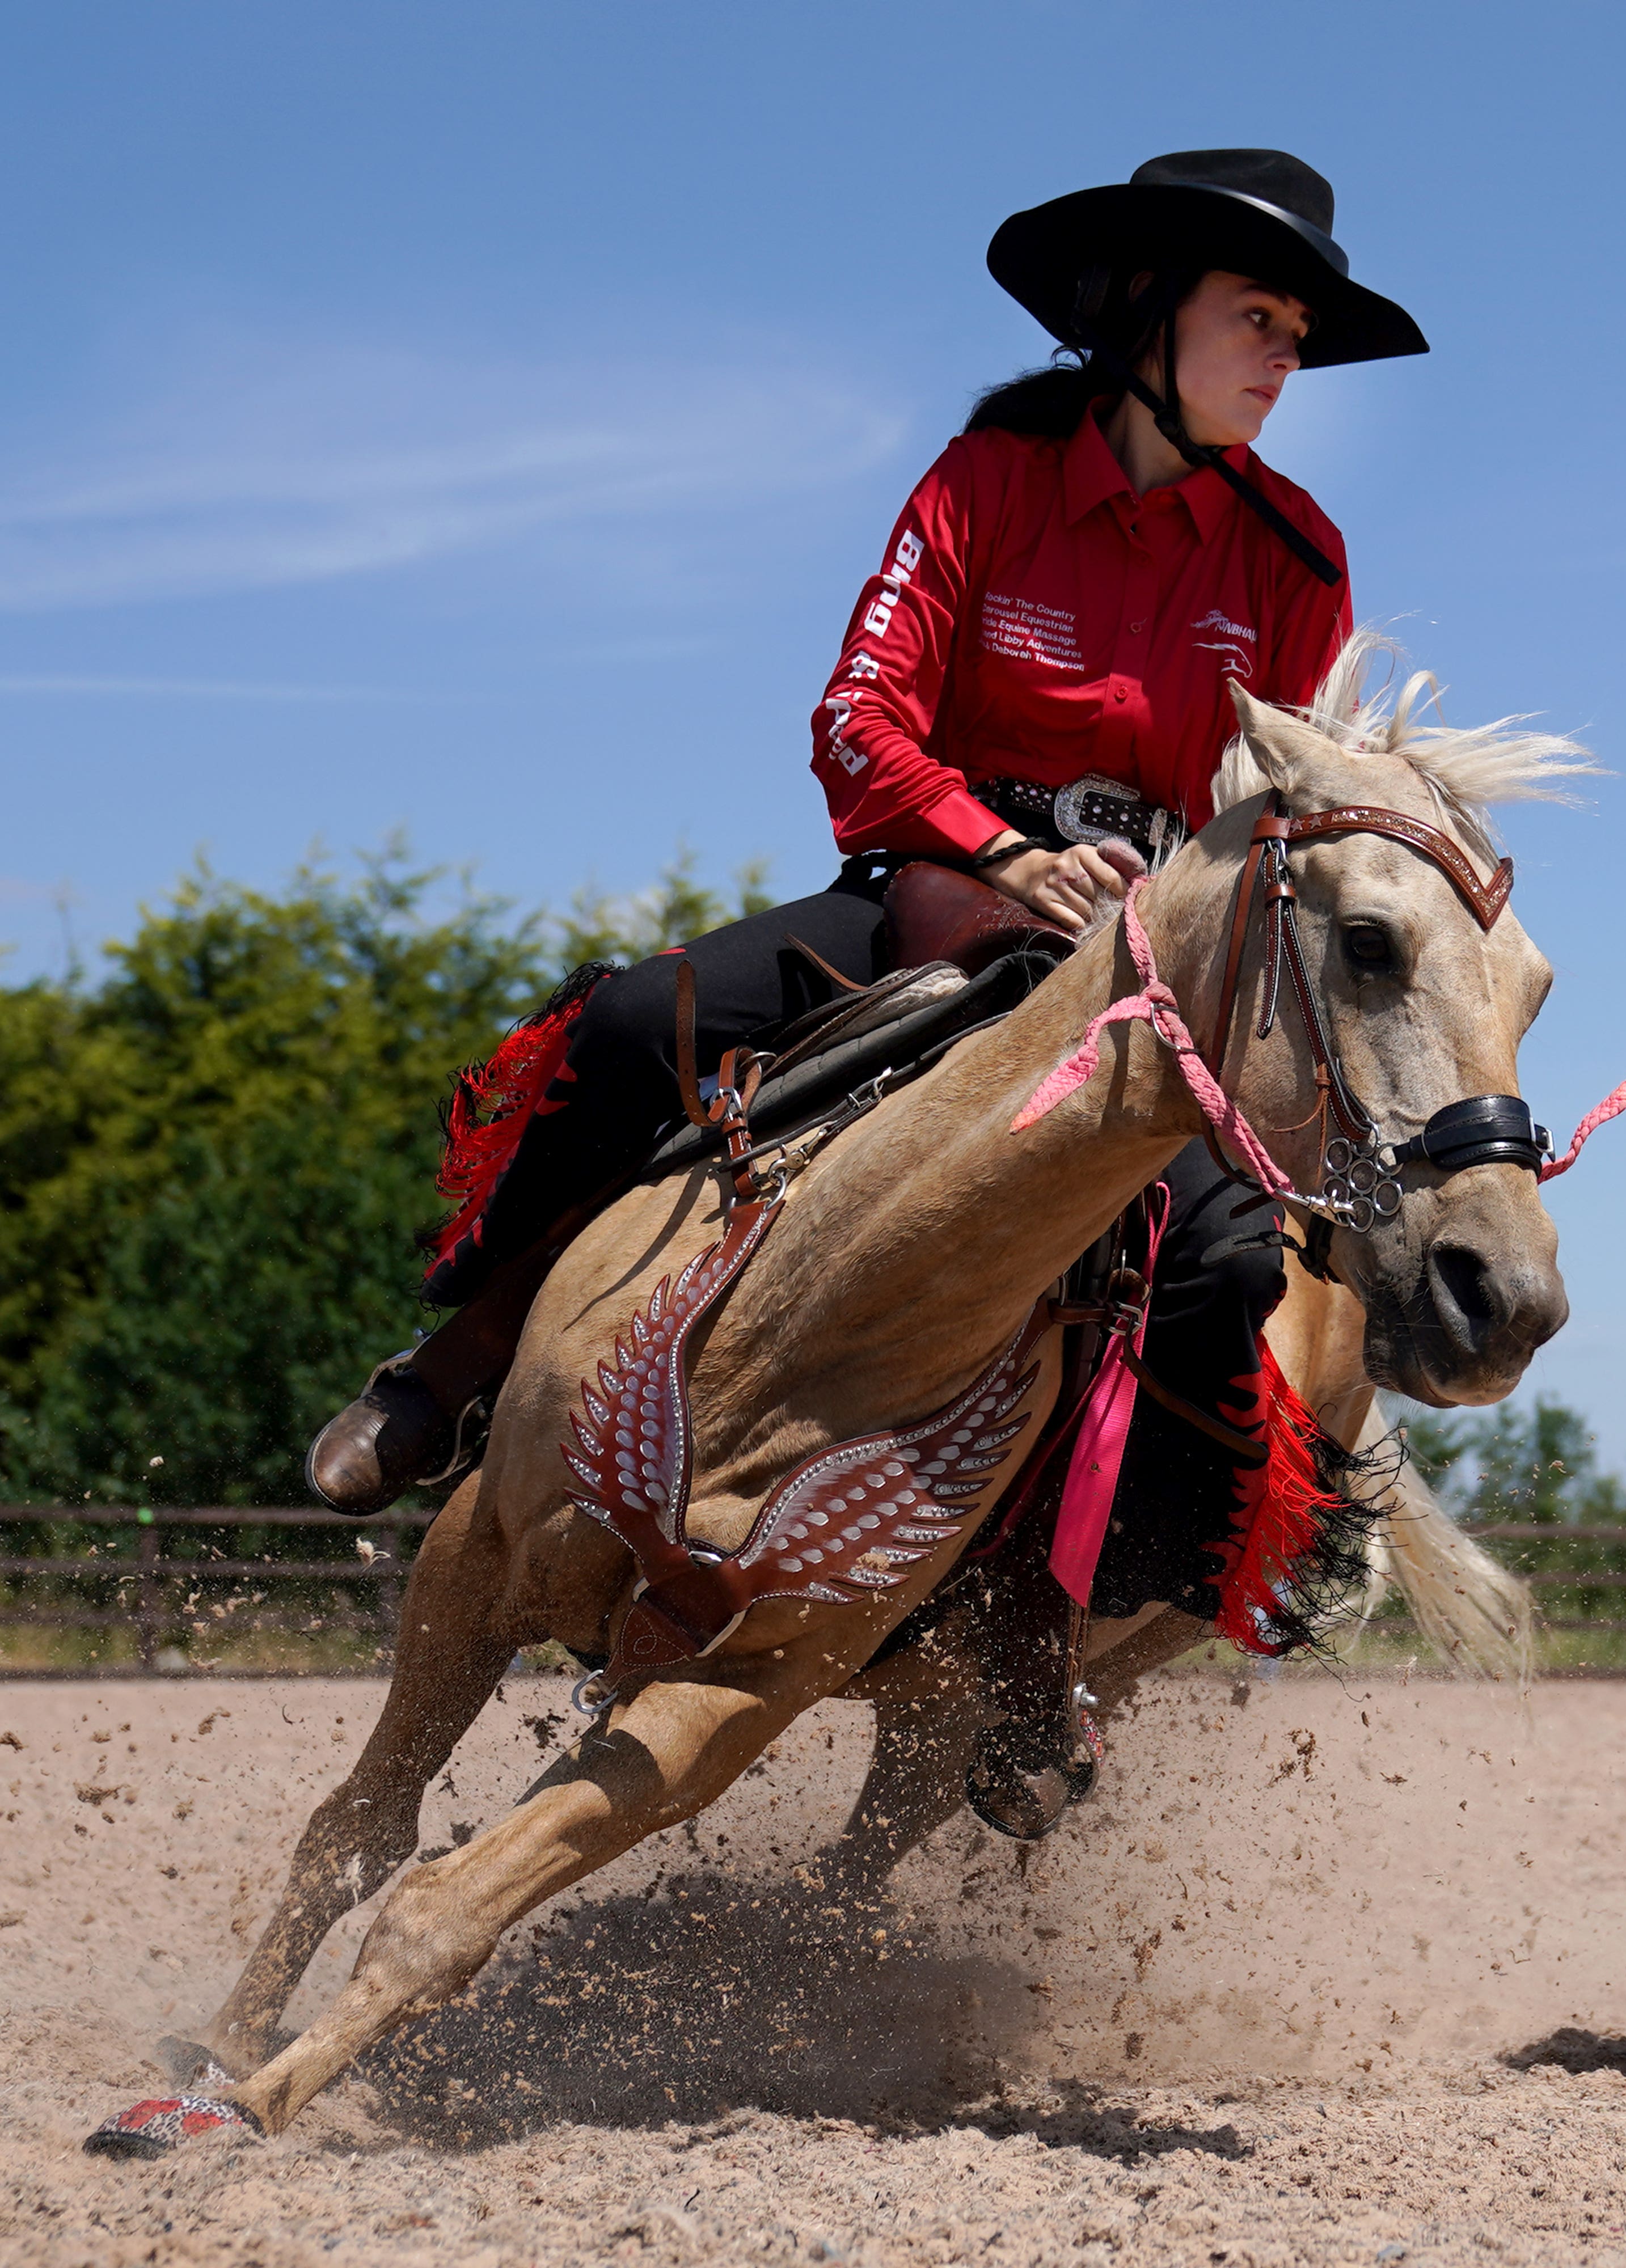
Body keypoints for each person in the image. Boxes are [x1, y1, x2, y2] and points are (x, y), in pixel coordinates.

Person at [305, 150, 1427, 1624]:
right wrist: (1005, 848)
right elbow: (858, 717)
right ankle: (450, 1373)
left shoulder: (1297, 557)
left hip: (1155, 958)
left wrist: (1182, 911)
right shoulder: (987, 484)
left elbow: (1290, 810)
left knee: (1229, 1259)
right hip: (941, 895)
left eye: (1297, 332)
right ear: (1148, 311)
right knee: (640, 1019)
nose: (1285, 358)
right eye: (1259, 318)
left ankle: (1083, 1622)